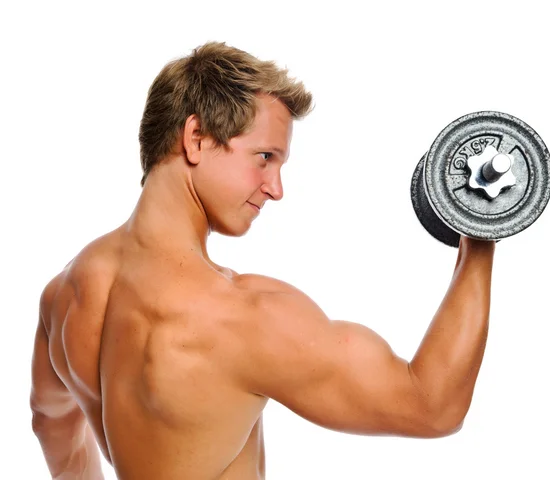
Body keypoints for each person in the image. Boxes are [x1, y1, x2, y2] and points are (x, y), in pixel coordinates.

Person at [30, 41, 495, 480]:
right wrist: (480, 229)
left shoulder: (66, 292)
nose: (276, 188)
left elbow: (50, 419)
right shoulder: (241, 318)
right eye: (265, 157)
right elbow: (432, 405)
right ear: (195, 137)